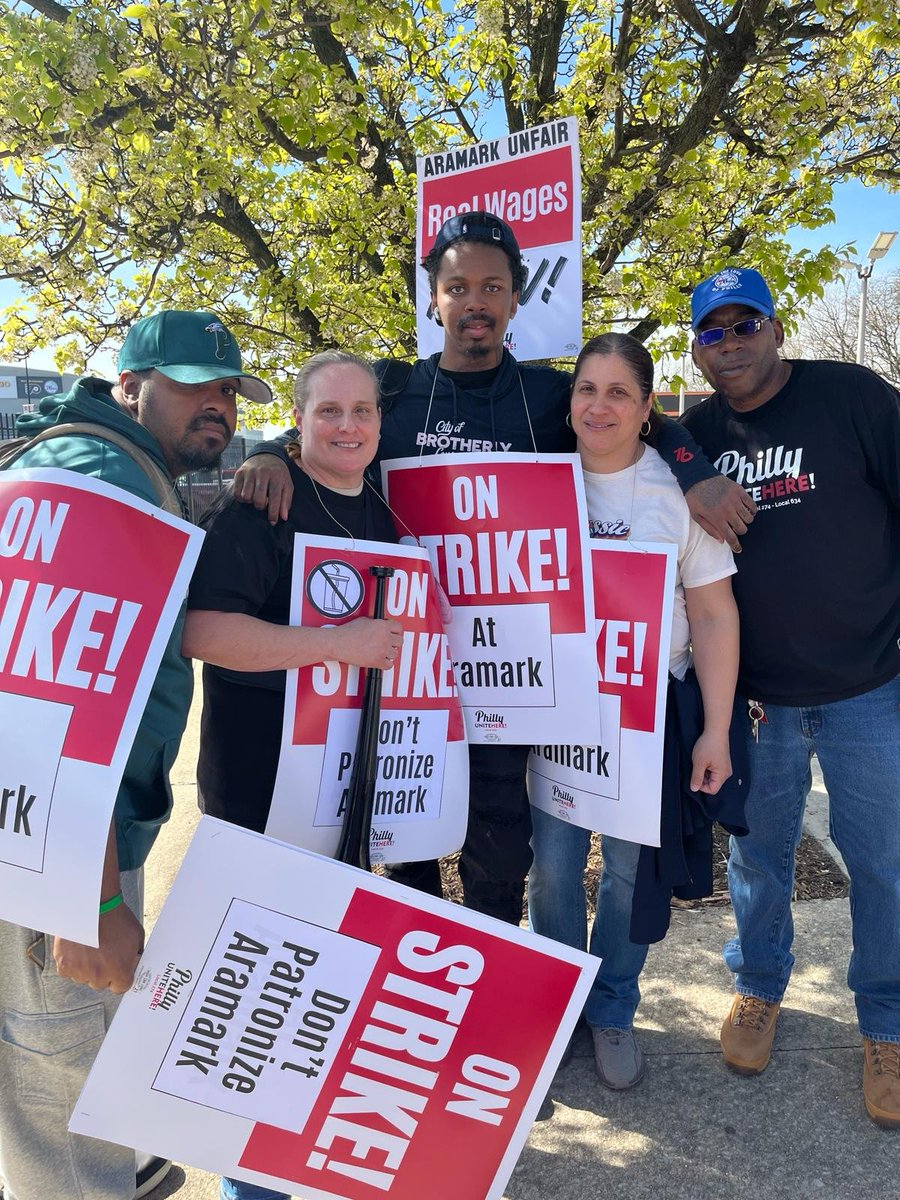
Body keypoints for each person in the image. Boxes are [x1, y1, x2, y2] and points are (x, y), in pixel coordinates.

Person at [230, 212, 754, 927]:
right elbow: (326, 427)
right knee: (404, 846)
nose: (475, 301)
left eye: (493, 287)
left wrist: (692, 473)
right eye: (458, 286)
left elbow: (644, 415)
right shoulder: (393, 387)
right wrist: (268, 451)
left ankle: (490, 980)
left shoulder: (548, 397)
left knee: (500, 852)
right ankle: (415, 975)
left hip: (510, 678)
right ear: (434, 299)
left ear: (515, 300)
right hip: (407, 663)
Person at [0, 310, 268, 1200]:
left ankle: (124, 1164)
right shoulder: (101, 478)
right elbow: (48, 710)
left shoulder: (122, 467)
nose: (219, 407)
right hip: (61, 853)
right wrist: (94, 895)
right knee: (58, 1067)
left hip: (87, 833)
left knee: (90, 1040)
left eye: (229, 390)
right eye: (196, 384)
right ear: (130, 386)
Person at [682, 266, 900, 1128]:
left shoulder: (854, 398)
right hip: (757, 701)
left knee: (883, 865)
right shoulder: (694, 434)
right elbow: (637, 433)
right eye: (713, 332)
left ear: (776, 327)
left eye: (746, 325)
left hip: (868, 687)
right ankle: (760, 985)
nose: (731, 344)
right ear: (696, 349)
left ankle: (886, 1023)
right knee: (760, 857)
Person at [182, 350, 402, 1200]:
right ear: (299, 423)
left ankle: (307, 1158)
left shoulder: (384, 510)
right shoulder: (258, 509)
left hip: (345, 798)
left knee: (319, 999)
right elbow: (202, 631)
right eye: (328, 413)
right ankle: (254, 1183)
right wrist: (333, 647)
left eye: (362, 413)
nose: (347, 428)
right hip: (256, 798)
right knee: (255, 1005)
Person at [527, 333, 740, 1089]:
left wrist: (715, 730)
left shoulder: (675, 498)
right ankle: (557, 1003)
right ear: (571, 401)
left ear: (649, 409)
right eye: (588, 389)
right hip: (554, 722)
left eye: (620, 392)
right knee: (552, 872)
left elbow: (714, 617)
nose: (600, 405)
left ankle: (613, 1005)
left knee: (624, 873)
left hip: (644, 724)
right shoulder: (536, 482)